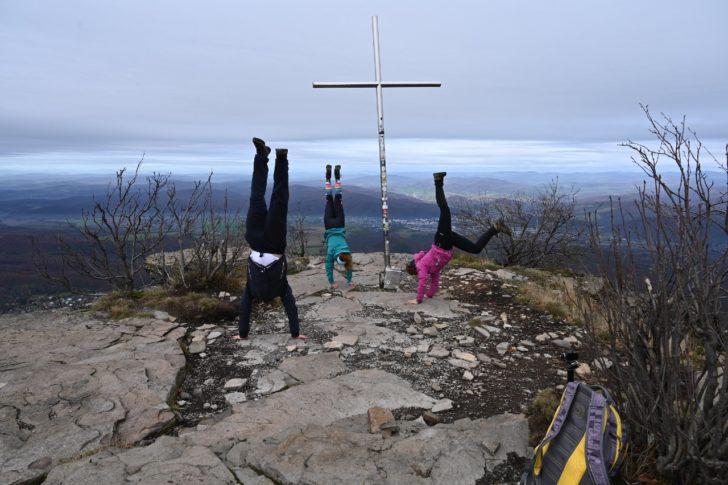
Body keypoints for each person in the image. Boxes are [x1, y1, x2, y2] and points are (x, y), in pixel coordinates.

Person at [235, 137, 306, 340]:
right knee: (278, 199)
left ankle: (261, 156)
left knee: (256, 197)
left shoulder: (251, 290)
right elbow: (290, 306)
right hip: (274, 244)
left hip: (255, 240)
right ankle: (281, 159)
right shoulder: (281, 289)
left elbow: (244, 308)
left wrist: (242, 334)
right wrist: (295, 333)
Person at [406, 172, 511, 304]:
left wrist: (418, 300)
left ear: (415, 270)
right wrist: (430, 295)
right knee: (475, 249)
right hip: (448, 243)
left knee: (445, 210)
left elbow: (422, 283)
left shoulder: (421, 267)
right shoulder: (432, 269)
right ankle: (495, 228)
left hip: (442, 241)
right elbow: (435, 282)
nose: (420, 276)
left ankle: (438, 181)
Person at [323, 164, 354, 289]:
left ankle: (337, 179)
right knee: (329, 199)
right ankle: (327, 179)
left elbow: (349, 266)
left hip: (340, 224)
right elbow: (328, 267)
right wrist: (332, 282)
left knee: (338, 198)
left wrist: (350, 280)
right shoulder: (332, 253)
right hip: (329, 225)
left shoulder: (348, 252)